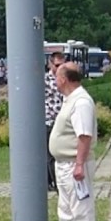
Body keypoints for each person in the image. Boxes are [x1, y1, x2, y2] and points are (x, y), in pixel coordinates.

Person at [46, 62, 96, 221]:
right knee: (65, 210)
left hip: (74, 165)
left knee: (80, 210)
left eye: (57, 75)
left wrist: (79, 164)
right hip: (63, 164)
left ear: (64, 79)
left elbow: (84, 136)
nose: (54, 79)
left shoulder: (81, 102)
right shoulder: (70, 100)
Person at [43, 51, 66, 192]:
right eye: (57, 65)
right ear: (50, 64)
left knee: (60, 154)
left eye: (62, 65)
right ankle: (56, 184)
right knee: (51, 155)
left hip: (62, 120)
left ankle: (53, 182)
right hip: (49, 121)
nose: (60, 68)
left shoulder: (65, 79)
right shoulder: (46, 80)